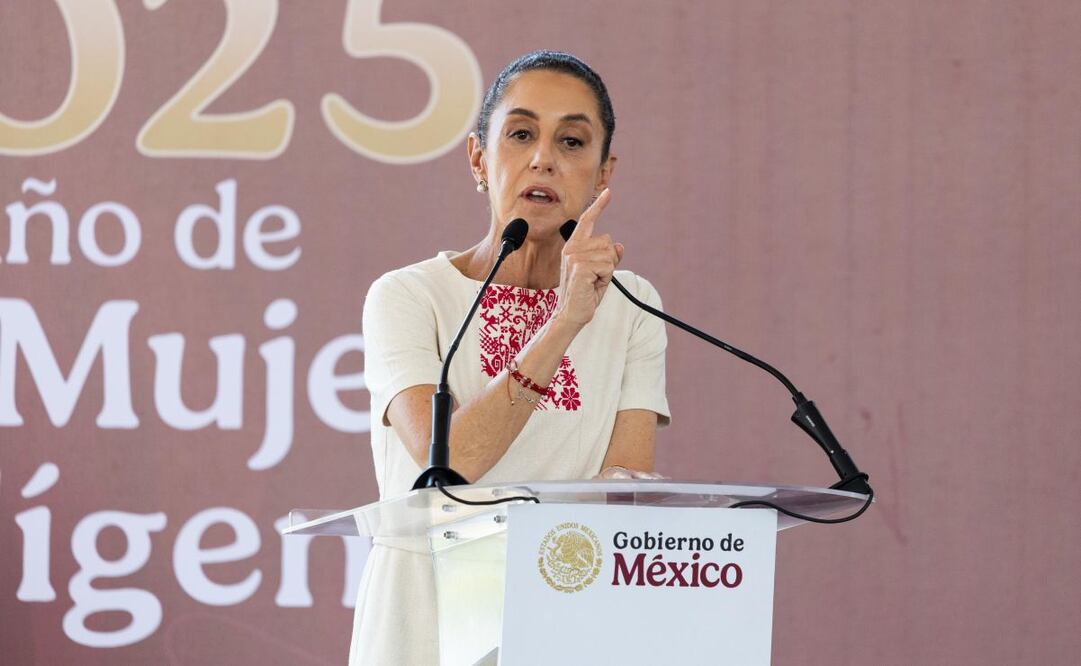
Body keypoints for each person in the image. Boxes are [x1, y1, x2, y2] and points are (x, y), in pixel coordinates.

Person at [350, 50, 671, 665]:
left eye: (572, 141)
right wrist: (564, 322)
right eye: (521, 134)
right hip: (425, 620)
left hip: (564, 618)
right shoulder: (408, 296)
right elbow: (450, 464)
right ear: (478, 158)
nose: (543, 158)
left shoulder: (632, 305)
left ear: (604, 173)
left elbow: (622, 493)